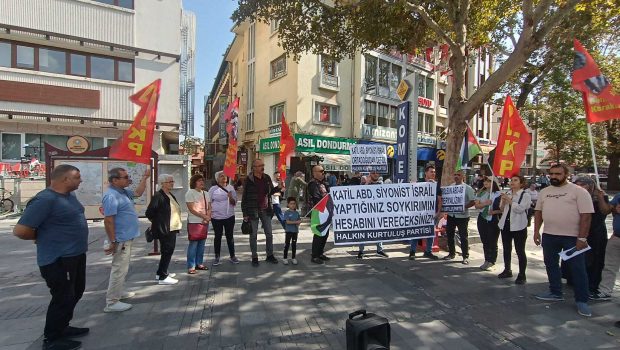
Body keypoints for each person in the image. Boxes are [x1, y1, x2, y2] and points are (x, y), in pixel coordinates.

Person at [14, 165, 88, 350]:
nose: (81, 180)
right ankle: (52, 338)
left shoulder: (69, 196)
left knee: (75, 292)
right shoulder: (45, 200)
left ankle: (63, 326)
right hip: (59, 259)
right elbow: (21, 230)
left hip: (75, 254)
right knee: (63, 296)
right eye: (77, 177)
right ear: (65, 179)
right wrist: (44, 238)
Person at [534, 163, 594, 317]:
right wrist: (536, 232)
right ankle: (555, 292)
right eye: (552, 173)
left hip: (572, 238)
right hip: (549, 236)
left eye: (558, 174)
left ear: (566, 174)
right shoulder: (545, 191)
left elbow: (586, 216)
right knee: (551, 264)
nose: (554, 176)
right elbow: (538, 213)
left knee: (577, 269)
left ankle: (582, 300)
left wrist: (582, 238)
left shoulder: (579, 192)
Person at [102, 167, 150, 312]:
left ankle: (118, 293)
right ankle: (112, 302)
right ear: (115, 180)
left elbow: (138, 193)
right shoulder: (111, 196)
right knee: (119, 269)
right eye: (125, 177)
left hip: (126, 237)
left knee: (123, 268)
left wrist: (145, 177)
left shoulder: (123, 192)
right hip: (120, 239)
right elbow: (108, 220)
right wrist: (113, 240)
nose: (129, 179)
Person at [571, 177, 610, 299]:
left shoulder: (599, 196)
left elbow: (605, 211)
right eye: (577, 184)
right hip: (581, 230)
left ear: (590, 185)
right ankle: (576, 280)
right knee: (581, 258)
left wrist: (600, 197)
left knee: (595, 259)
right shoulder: (576, 197)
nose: (579, 187)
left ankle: (593, 285)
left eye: (583, 184)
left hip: (596, 232)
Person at [241, 159, 282, 267]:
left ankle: (270, 255)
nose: (262, 167)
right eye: (259, 165)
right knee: (253, 235)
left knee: (269, 233)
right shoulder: (248, 179)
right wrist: (244, 213)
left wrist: (279, 187)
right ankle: (254, 256)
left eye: (263, 165)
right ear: (254, 167)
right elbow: (244, 197)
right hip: (252, 210)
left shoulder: (267, 177)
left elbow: (272, 191)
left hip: (265, 209)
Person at [146, 174, 181, 285]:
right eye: (169, 181)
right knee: (167, 251)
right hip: (165, 229)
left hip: (172, 228)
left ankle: (161, 272)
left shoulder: (169, 194)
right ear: (162, 183)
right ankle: (163, 277)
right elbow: (149, 213)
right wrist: (158, 223)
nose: (172, 183)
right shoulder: (158, 196)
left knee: (168, 251)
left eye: (172, 181)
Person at [497, 175, 531, 284]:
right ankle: (507, 269)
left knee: (520, 250)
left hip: (519, 226)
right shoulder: (508, 193)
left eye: (515, 180)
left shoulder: (525, 195)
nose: (512, 182)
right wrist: (503, 201)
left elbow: (520, 209)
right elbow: (501, 209)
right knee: (506, 249)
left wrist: (510, 200)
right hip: (506, 225)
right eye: (511, 180)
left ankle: (522, 274)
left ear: (521, 183)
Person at [443, 170, 476, 264]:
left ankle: (465, 256)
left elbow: (473, 201)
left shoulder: (468, 188)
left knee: (463, 236)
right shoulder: (451, 187)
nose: (456, 176)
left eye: (458, 175)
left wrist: (463, 207)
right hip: (451, 215)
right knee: (449, 235)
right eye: (455, 174)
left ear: (463, 176)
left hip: (463, 216)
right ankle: (451, 253)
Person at [410, 164, 442, 261]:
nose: (433, 173)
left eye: (434, 172)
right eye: (431, 171)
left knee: (430, 233)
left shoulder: (436, 185)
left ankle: (428, 251)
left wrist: (438, 213)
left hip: (432, 214)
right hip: (420, 214)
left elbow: (440, 200)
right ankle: (412, 252)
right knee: (416, 232)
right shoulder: (419, 183)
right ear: (426, 173)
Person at [208, 171, 239, 265]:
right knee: (218, 236)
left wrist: (230, 197)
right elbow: (208, 202)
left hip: (229, 216)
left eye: (225, 176)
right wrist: (209, 214)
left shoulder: (231, 188)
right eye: (221, 176)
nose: (224, 178)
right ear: (217, 179)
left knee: (230, 236)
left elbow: (234, 203)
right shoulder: (213, 189)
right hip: (216, 217)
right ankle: (217, 256)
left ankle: (232, 255)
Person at [357, 170, 389, 259]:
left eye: (377, 173)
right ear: (370, 174)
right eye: (373, 173)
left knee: (379, 231)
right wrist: (367, 183)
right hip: (366, 214)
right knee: (363, 232)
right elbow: (360, 195)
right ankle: (361, 251)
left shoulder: (381, 184)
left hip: (378, 213)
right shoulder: (364, 184)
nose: (375, 174)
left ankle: (379, 250)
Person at [185, 174, 211, 274]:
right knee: (193, 244)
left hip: (205, 222)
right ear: (194, 182)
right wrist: (204, 217)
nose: (201, 182)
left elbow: (209, 207)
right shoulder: (190, 193)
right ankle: (191, 266)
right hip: (194, 222)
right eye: (199, 180)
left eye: (202, 180)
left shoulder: (206, 193)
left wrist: (208, 217)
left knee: (202, 244)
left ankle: (199, 263)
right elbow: (192, 209)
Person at [474, 177, 501, 271]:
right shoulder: (481, 193)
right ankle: (487, 259)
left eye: (488, 181)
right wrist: (485, 204)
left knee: (492, 241)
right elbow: (476, 205)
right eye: (485, 181)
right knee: (485, 240)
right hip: (482, 217)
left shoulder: (499, 194)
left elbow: (503, 209)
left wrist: (494, 212)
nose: (486, 182)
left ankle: (492, 261)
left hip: (493, 219)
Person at [596, 197, 620, 300]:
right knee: (609, 266)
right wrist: (601, 198)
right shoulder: (619, 196)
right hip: (616, 237)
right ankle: (605, 291)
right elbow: (605, 210)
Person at [308, 164, 331, 264]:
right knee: (318, 233)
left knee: (325, 233)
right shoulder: (313, 184)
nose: (323, 173)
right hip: (318, 211)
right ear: (315, 173)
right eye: (321, 171)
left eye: (323, 171)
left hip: (326, 211)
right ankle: (315, 255)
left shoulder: (324, 183)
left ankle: (320, 252)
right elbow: (316, 197)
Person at [282, 197, 302, 265]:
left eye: (294, 204)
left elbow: (298, 222)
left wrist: (299, 223)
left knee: (294, 245)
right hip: (288, 231)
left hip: (295, 232)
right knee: (287, 244)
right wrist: (296, 222)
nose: (293, 205)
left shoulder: (297, 213)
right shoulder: (287, 213)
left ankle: (293, 258)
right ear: (288, 204)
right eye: (291, 204)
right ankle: (285, 258)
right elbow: (287, 222)